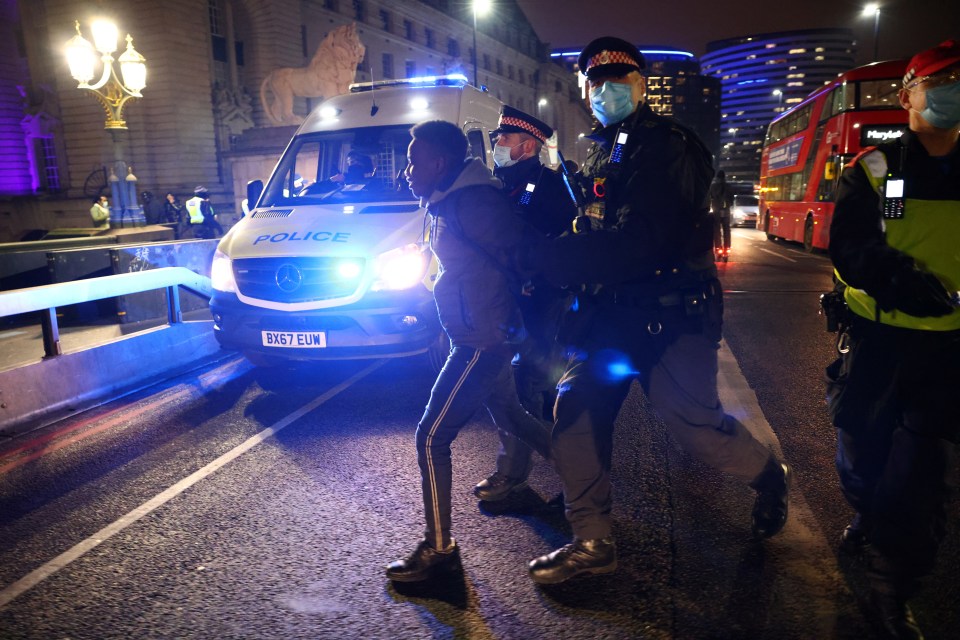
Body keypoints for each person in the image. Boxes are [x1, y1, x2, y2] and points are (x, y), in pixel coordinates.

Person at [519, 37, 792, 585]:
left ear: (642, 86)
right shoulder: (602, 147)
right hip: (609, 315)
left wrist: (546, 258)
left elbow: (641, 241)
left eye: (619, 80)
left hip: (670, 314)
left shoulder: (668, 146)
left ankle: (769, 477)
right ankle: (592, 540)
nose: (606, 90)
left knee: (694, 426)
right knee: (574, 413)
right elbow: (591, 224)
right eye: (596, 82)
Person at [826, 40, 960, 640]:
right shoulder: (873, 168)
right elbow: (852, 247)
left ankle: (892, 587)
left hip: (947, 350)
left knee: (920, 470)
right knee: (861, 450)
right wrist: (903, 281)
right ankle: (864, 513)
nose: (952, 91)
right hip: (878, 340)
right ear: (907, 95)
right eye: (941, 80)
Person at [385, 120, 552, 583]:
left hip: (483, 341)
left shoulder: (474, 203)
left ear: (439, 163)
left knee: (431, 436)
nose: (406, 170)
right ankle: (586, 486)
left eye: (413, 161)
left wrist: (505, 320)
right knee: (514, 418)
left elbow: (523, 255)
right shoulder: (444, 200)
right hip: (475, 332)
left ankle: (440, 553)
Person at [473, 106, 577, 502]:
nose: (497, 144)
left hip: (541, 302)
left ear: (527, 146)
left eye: (504, 139)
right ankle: (560, 468)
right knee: (516, 386)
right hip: (506, 301)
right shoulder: (498, 182)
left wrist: (536, 278)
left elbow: (556, 246)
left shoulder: (549, 185)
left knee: (530, 384)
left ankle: (540, 470)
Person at [709, 169, 734, 262]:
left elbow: (710, 198)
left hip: (716, 211)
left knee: (717, 231)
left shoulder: (713, 187)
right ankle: (726, 251)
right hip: (726, 211)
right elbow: (732, 199)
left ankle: (718, 250)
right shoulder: (729, 187)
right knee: (727, 230)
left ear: (717, 177)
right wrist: (728, 205)